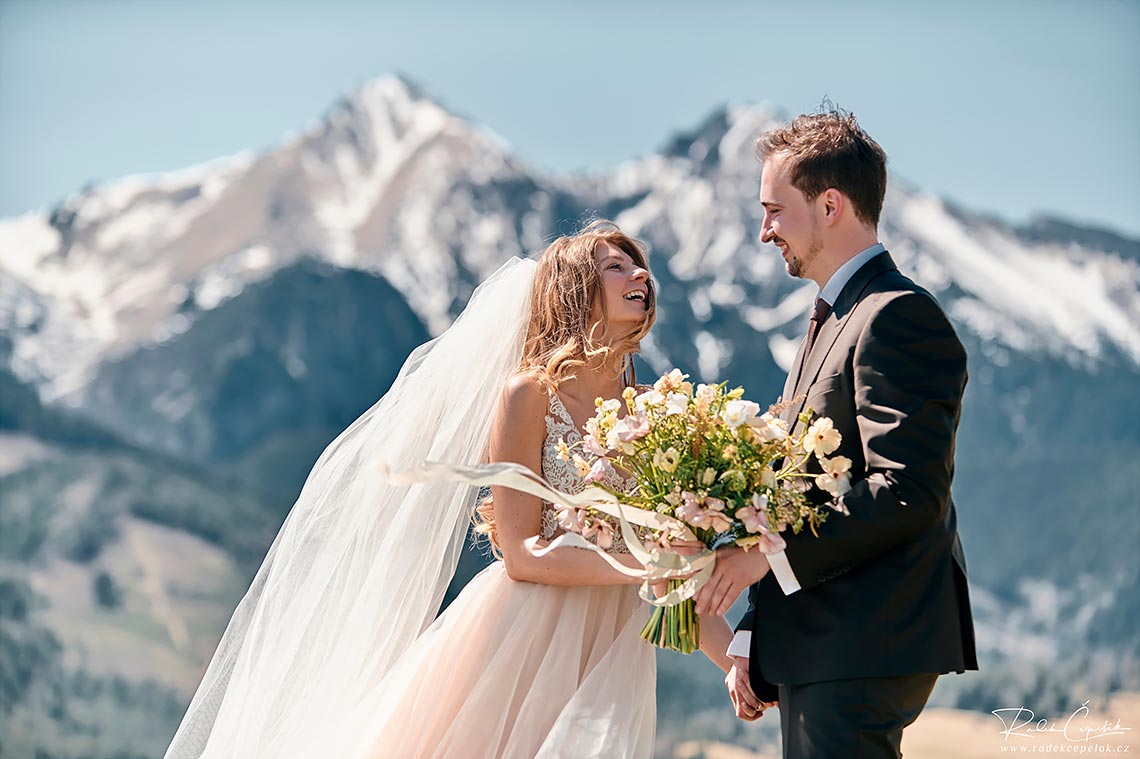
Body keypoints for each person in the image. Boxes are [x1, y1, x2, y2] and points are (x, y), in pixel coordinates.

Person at [164, 220, 734, 759]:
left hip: (613, 646)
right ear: (575, 291)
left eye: (640, 269)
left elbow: (679, 566)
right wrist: (641, 569)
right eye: (617, 267)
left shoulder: (657, 409)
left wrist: (735, 664)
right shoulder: (528, 395)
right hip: (524, 630)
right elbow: (520, 554)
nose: (641, 276)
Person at [693, 110, 978, 759]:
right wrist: (752, 631)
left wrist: (766, 556)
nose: (764, 231)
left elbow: (906, 492)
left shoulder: (896, 316)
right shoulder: (835, 318)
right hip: (827, 639)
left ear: (829, 205)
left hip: (861, 638)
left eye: (774, 209)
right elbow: (801, 497)